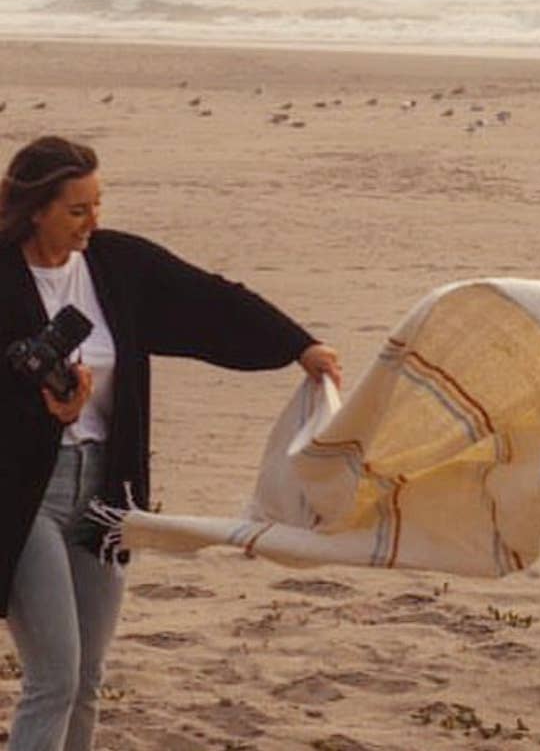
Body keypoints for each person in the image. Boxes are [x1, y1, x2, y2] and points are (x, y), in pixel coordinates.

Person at [0, 136, 342, 751]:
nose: (92, 222)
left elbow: (209, 299)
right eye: (77, 210)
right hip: (24, 495)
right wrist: (43, 412)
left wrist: (299, 345)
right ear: (36, 210)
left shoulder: (116, 264)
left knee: (89, 677)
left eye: (98, 204)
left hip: (107, 491)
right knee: (55, 676)